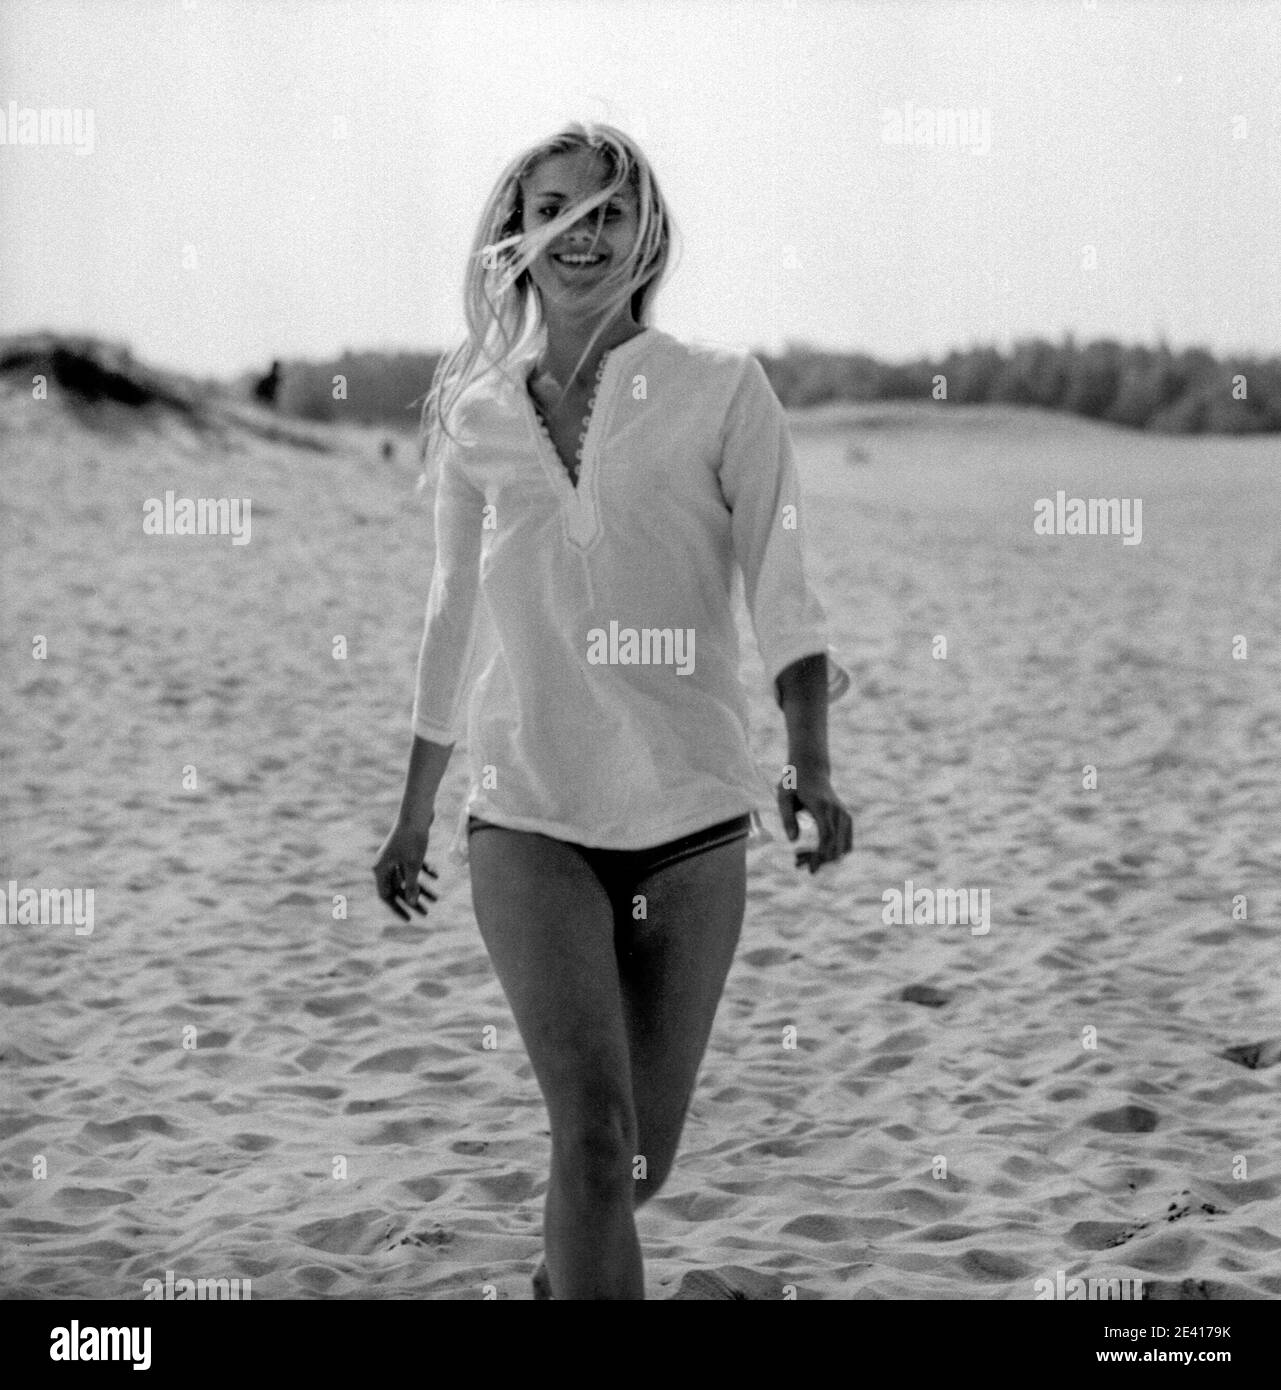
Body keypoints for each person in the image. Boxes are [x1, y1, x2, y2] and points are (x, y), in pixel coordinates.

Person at [373, 123, 853, 1300]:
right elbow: (450, 618)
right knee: (589, 1135)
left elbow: (782, 591)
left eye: (608, 211)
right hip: (529, 816)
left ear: (647, 235)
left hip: (691, 821)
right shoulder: (478, 415)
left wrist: (811, 765)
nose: (582, 234)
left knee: (634, 1163)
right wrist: (413, 813)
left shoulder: (723, 392)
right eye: (555, 209)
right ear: (515, 234)